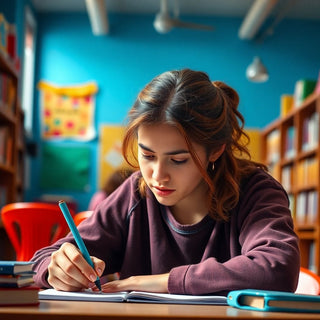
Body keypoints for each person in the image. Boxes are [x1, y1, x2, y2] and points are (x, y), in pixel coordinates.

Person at [32, 69, 300, 295]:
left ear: (216, 150)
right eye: (147, 155)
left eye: (179, 159)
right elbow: (41, 260)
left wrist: (159, 282)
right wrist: (57, 268)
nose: (157, 176)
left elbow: (278, 269)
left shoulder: (256, 191)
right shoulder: (135, 193)